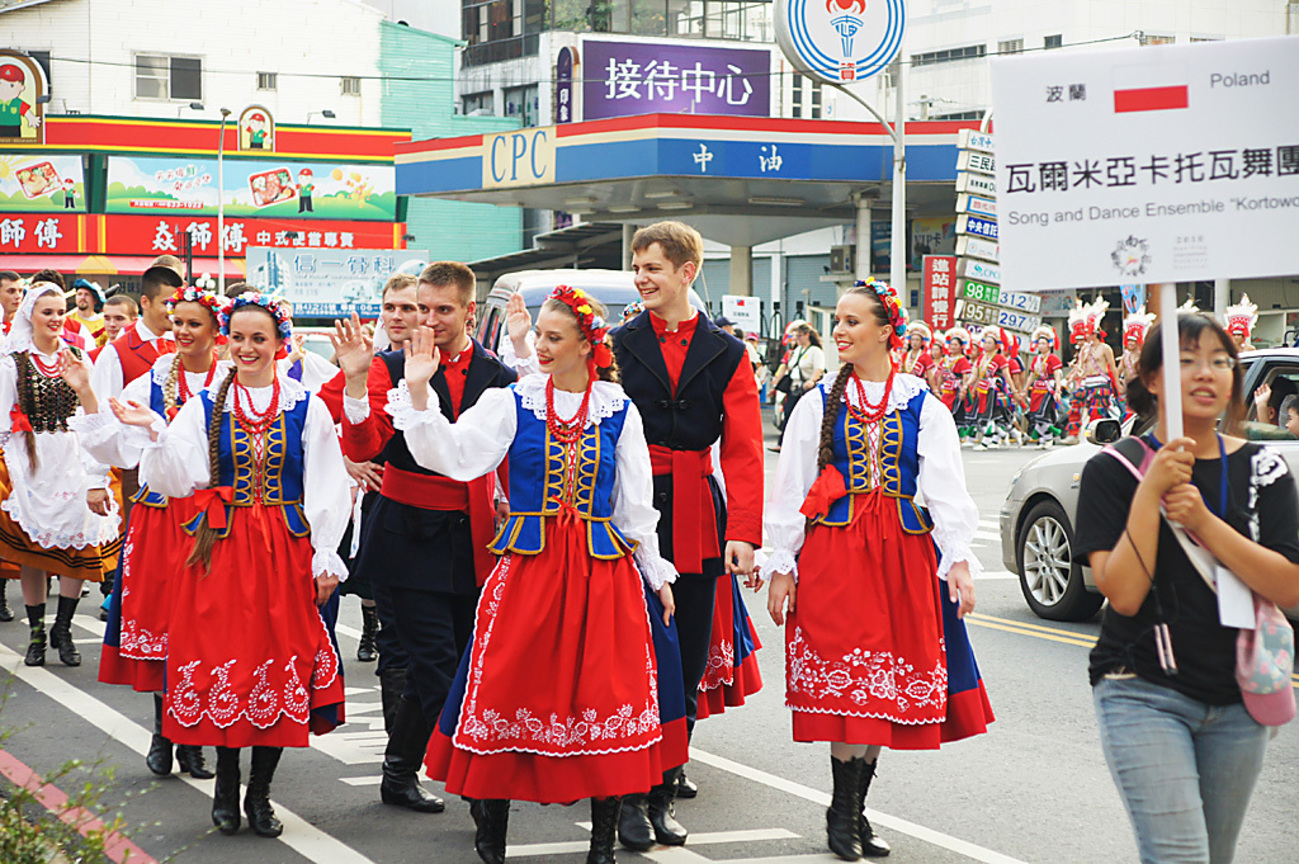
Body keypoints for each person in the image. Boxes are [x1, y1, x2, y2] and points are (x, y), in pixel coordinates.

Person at [404, 286, 687, 864]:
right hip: (529, 571)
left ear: (588, 345)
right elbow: (456, 455)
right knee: (510, 685)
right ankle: (493, 829)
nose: (540, 347)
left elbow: (635, 504)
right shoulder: (514, 402)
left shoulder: (617, 409)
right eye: (538, 335)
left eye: (554, 338)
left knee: (605, 695)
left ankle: (602, 842)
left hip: (600, 571)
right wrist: (418, 391)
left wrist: (656, 571)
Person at [765, 278, 994, 862]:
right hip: (836, 554)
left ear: (885, 331)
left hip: (902, 554)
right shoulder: (817, 401)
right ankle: (843, 815)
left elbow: (944, 489)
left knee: (882, 685)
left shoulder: (922, 403)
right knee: (849, 684)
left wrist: (959, 562)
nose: (839, 330)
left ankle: (853, 811)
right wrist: (783, 564)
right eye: (837, 321)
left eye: (852, 321)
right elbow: (791, 487)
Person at [110, 292, 349, 839]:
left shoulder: (305, 406)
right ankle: (224, 784)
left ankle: (259, 793)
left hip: (286, 552)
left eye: (258, 338)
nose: (246, 347)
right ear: (227, 340)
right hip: (219, 551)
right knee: (226, 664)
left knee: (278, 662)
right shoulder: (203, 407)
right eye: (238, 337)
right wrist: (154, 431)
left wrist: (326, 555)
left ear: (279, 343)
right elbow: (175, 480)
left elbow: (328, 485)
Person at [1074, 311, 1299, 864]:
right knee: (1180, 856)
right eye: (1187, 361)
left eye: (1220, 361)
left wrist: (1203, 522)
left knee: (1213, 856)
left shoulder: (1265, 468)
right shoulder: (1114, 471)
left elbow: (1289, 586)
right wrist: (1150, 492)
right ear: (1151, 379)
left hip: (1240, 696)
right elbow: (1122, 595)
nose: (1207, 373)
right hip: (1141, 689)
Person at [332, 261, 516, 815]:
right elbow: (365, 446)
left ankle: (398, 768)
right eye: (422, 307)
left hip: (475, 537)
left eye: (443, 309)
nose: (428, 320)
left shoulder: (498, 374)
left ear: (470, 311)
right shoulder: (388, 364)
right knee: (435, 663)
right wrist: (359, 381)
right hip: (406, 533)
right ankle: (481, 785)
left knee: (458, 658)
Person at [612, 221, 764, 848]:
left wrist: (746, 533)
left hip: (700, 515)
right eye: (638, 267)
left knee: (690, 655)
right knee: (631, 655)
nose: (643, 278)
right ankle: (625, 795)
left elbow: (747, 450)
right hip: (626, 511)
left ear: (686, 273)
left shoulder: (727, 352)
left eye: (654, 268)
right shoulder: (615, 344)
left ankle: (664, 789)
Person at [68, 286, 226, 781]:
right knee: (165, 628)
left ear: (215, 332)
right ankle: (164, 731)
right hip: (161, 518)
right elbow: (115, 446)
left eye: (193, 324)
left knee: (208, 632)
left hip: (217, 520)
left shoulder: (234, 382)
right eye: (176, 322)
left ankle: (195, 736)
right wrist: (88, 395)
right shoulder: (152, 381)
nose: (180, 332)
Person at [0, 282, 119, 667]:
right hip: (30, 460)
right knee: (32, 549)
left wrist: (84, 387)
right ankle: (36, 633)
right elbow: (3, 422)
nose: (54, 319)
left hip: (74, 457)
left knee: (78, 541)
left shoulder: (79, 356)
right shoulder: (11, 361)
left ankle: (63, 627)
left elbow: (93, 411)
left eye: (59, 312)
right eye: (46, 312)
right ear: (30, 316)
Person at [1064, 297, 1119, 442]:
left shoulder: (1105, 348)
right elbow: (1080, 367)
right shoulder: (1084, 349)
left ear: (1094, 333)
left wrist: (1118, 386)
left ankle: (1095, 436)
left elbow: (1113, 368)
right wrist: (1069, 379)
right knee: (1075, 403)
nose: (1085, 335)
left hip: (1100, 382)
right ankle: (1073, 434)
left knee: (1097, 412)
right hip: (1086, 382)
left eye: (1088, 333)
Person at [771, 323, 826, 453]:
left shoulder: (815, 351)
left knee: (805, 417)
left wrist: (812, 380)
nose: (797, 339)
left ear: (807, 335)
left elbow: (818, 368)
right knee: (789, 415)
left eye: (799, 336)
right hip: (794, 387)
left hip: (806, 388)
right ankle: (784, 443)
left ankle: (802, 444)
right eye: (795, 336)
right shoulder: (797, 350)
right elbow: (788, 366)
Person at [967, 326, 1015, 449]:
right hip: (982, 390)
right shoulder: (981, 358)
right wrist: (967, 386)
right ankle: (1005, 434)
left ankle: (985, 442)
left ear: (996, 345)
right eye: (985, 342)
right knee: (984, 417)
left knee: (988, 417)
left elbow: (1007, 376)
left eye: (990, 343)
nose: (987, 345)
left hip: (993, 391)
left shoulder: (1000, 358)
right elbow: (975, 375)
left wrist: (1013, 390)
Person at [1024, 325, 1065, 444]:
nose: (1041, 346)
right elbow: (1032, 375)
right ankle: (1046, 438)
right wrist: (1025, 389)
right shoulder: (1037, 359)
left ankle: (1051, 436)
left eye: (1043, 343)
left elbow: (1057, 375)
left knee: (1042, 414)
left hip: (1048, 388)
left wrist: (1058, 390)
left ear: (1049, 344)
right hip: (1037, 389)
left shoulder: (1053, 358)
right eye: (1039, 343)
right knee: (1035, 415)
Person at [1118, 307, 1156, 407]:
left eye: (1133, 341)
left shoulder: (1143, 356)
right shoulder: (1125, 357)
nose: (1130, 343)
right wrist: (1119, 385)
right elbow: (1116, 372)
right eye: (1129, 340)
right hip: (1128, 391)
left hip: (1141, 392)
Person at [69, 278, 108, 347]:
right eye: (79, 294)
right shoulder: (68, 320)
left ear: (95, 300)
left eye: (87, 295)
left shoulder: (104, 324)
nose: (82, 297)